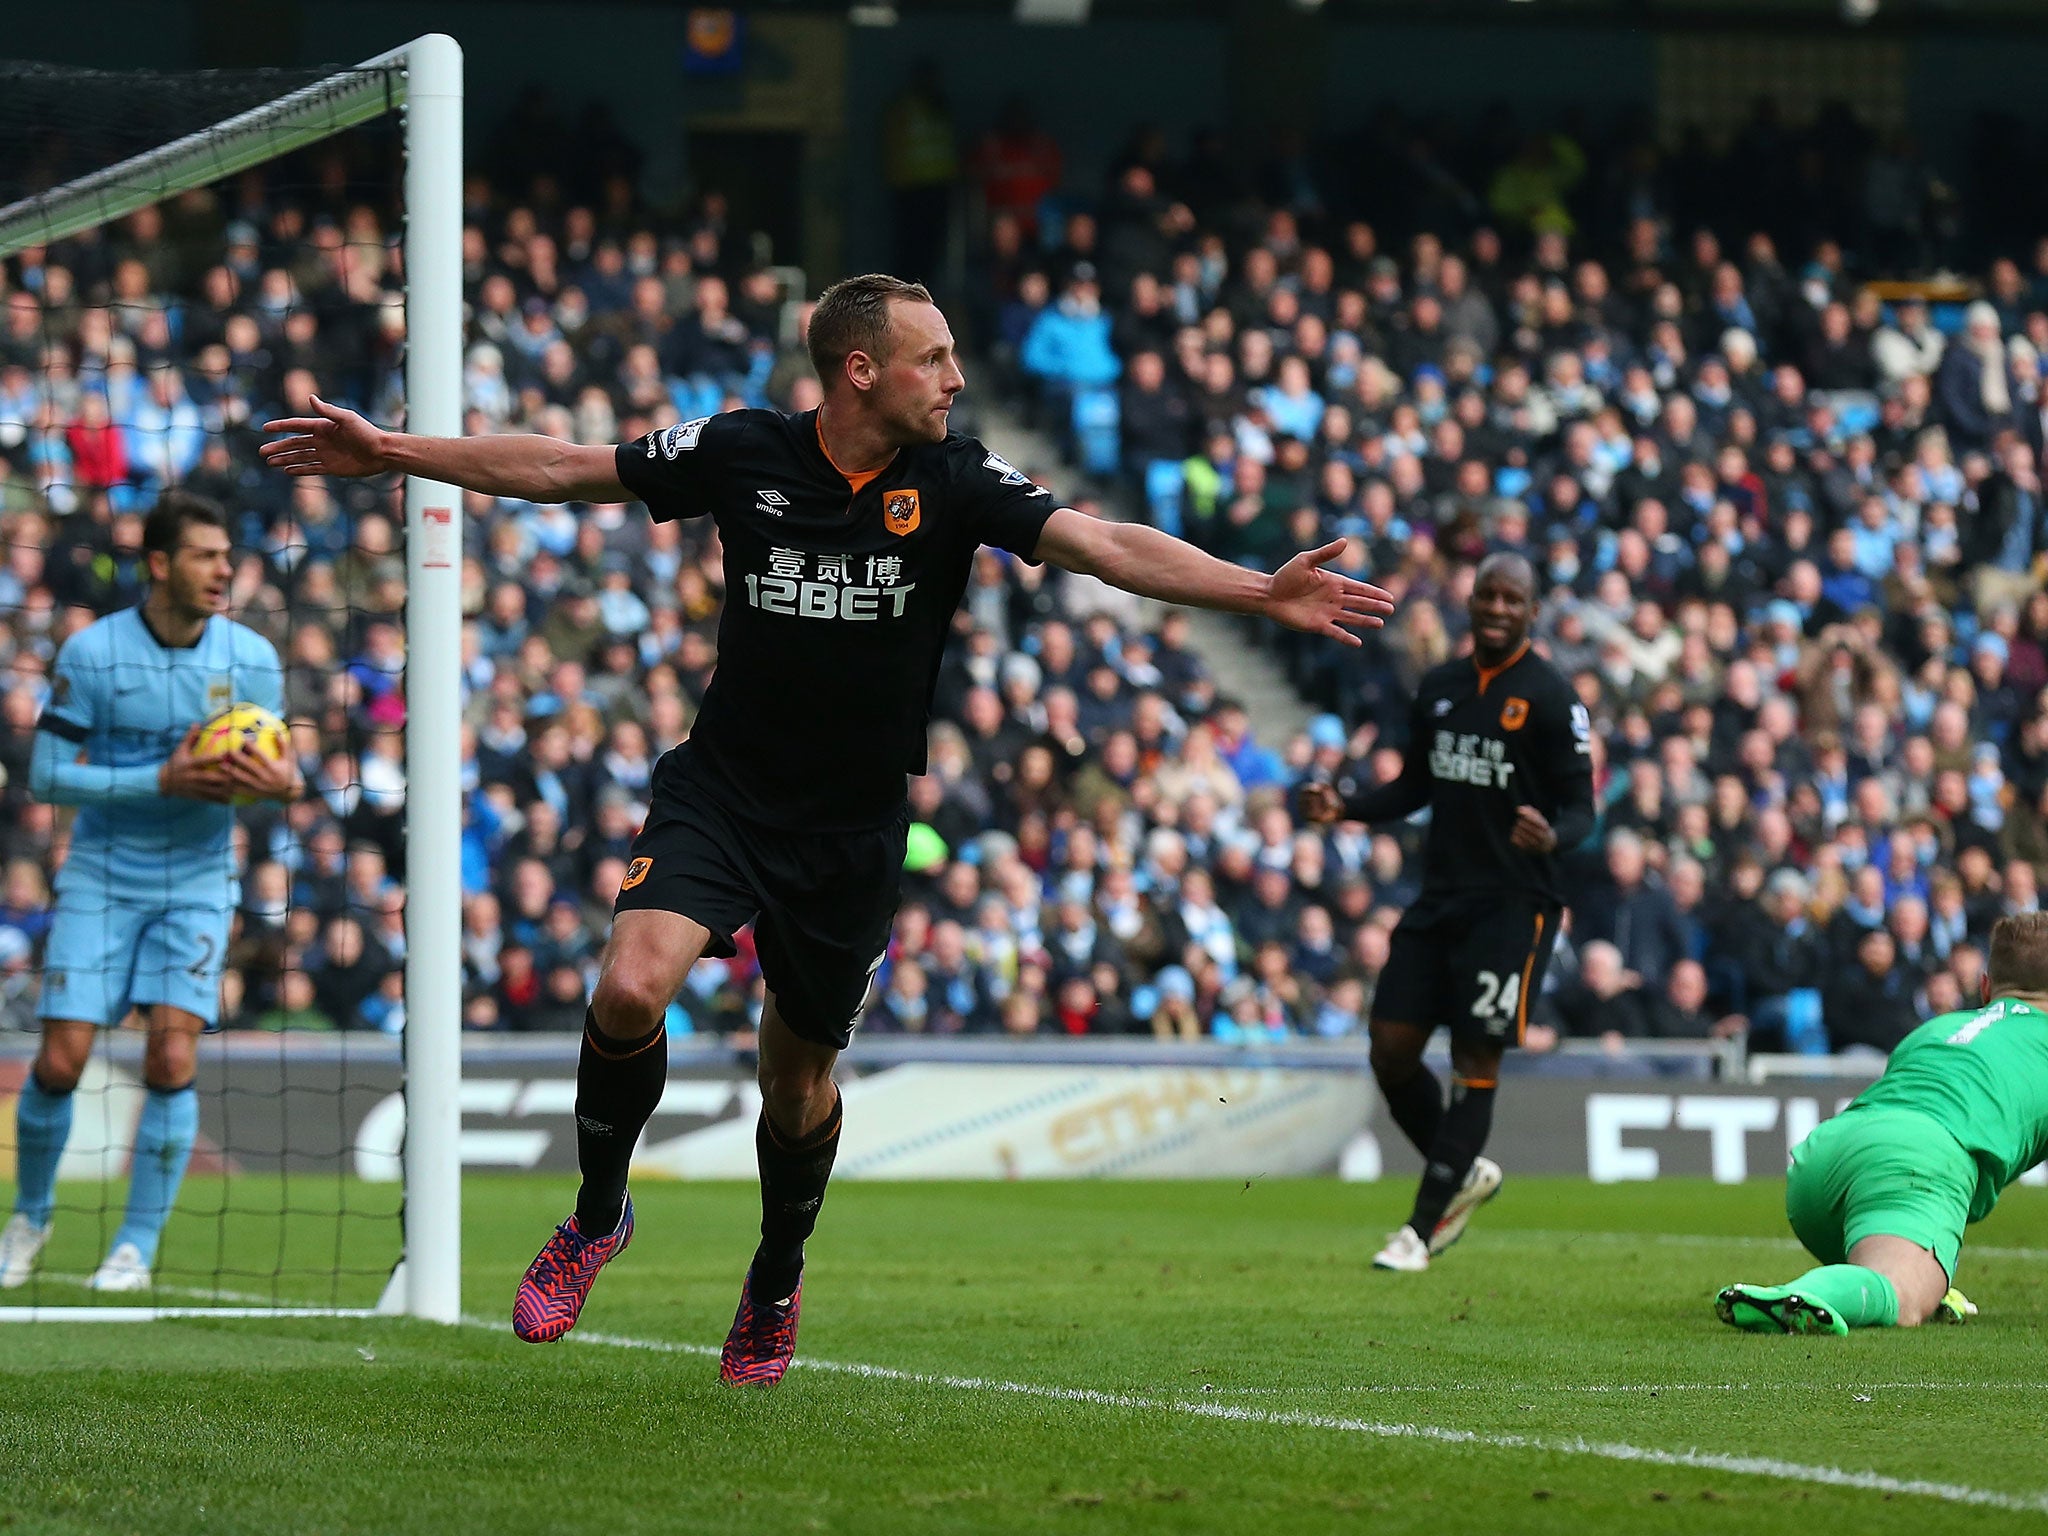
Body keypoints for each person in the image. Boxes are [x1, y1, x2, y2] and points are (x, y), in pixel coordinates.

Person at [261, 272, 1392, 1383]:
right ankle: (597, 1218)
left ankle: (775, 1276)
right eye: (932, 358)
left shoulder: (952, 479)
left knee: (794, 1086)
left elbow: (1099, 543)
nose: (955, 378)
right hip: (724, 791)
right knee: (624, 991)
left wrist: (1256, 592)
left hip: (849, 833)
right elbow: (564, 468)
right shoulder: (743, 448)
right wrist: (395, 452)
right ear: (861, 370)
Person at [0, 493, 296, 1293]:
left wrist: (281, 782)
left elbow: (285, 774)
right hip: (101, 875)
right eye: (206, 555)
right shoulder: (93, 654)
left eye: (228, 556)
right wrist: (159, 777)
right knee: (60, 1059)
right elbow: (49, 774)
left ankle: (133, 1246)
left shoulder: (252, 660)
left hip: (197, 882)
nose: (225, 569)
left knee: (171, 1055)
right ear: (159, 564)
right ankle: (29, 1216)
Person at [1300, 552, 1594, 1272]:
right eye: (1486, 595)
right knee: (1390, 1049)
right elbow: (1412, 788)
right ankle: (1459, 1170)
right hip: (1440, 899)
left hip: (1514, 906)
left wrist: (1554, 835)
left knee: (1473, 1059)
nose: (1496, 607)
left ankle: (1420, 1230)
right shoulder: (1440, 687)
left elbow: (1584, 806)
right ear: (1470, 604)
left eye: (1511, 598)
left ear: (1532, 610)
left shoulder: (1554, 698)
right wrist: (1349, 807)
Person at [1716, 911, 2048, 1334]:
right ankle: (1810, 1294)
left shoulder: (1939, 1028)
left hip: (1825, 1164)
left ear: (1984, 987)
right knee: (1902, 1296)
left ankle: (1901, 1273)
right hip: (1913, 1164)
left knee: (1905, 1263)